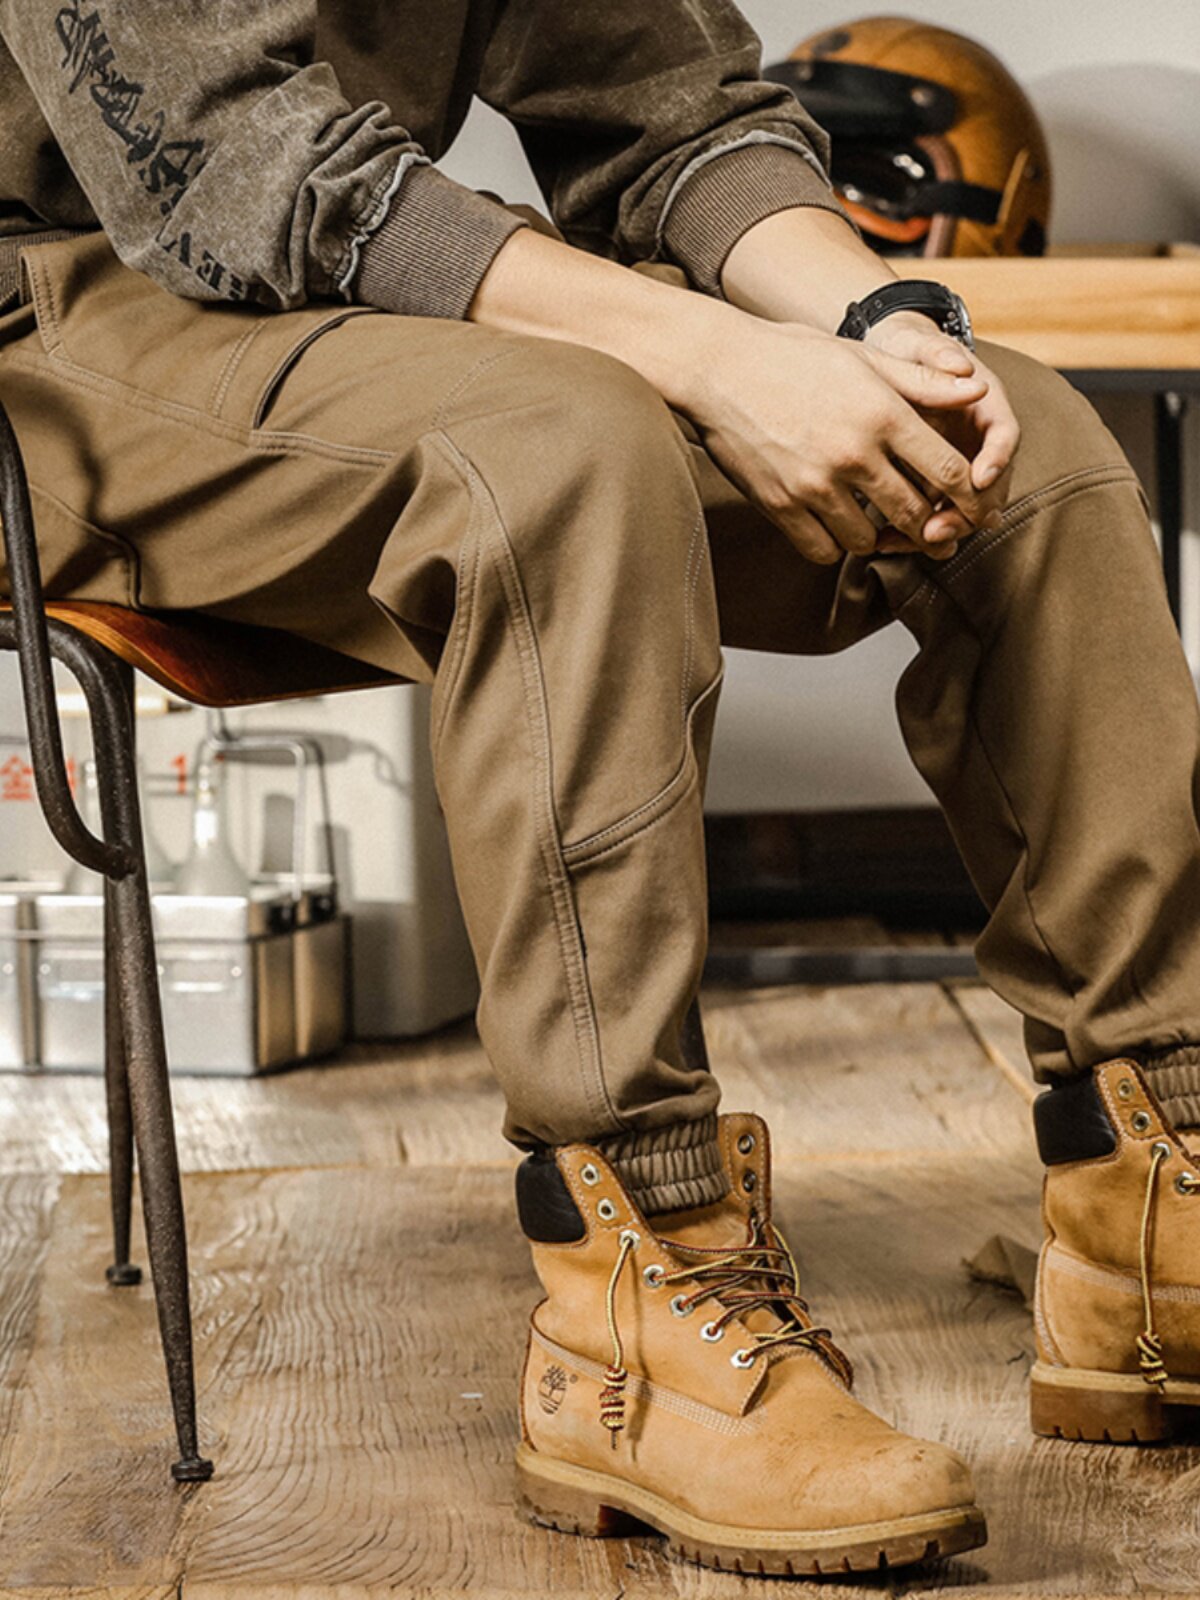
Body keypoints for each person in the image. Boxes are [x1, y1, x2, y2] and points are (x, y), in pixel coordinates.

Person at [3, 0, 1200, 1578]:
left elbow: (672, 103)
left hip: (352, 300)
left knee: (1024, 448)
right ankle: (638, 1291)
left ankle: (1152, 1204)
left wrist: (876, 320)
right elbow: (229, 157)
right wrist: (718, 357)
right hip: (69, 303)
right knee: (567, 448)